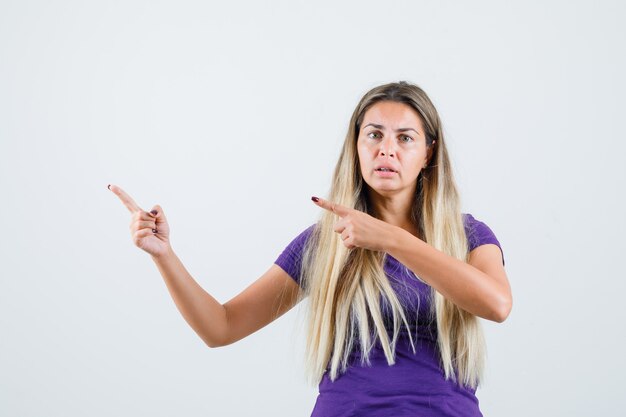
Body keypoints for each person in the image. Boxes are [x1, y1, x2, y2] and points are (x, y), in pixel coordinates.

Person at [109, 81, 512, 417]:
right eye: (374, 134)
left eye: (405, 138)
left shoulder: (469, 236)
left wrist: (390, 238)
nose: (386, 149)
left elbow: (497, 305)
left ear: (428, 153)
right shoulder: (326, 243)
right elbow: (221, 327)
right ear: (356, 145)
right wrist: (164, 255)